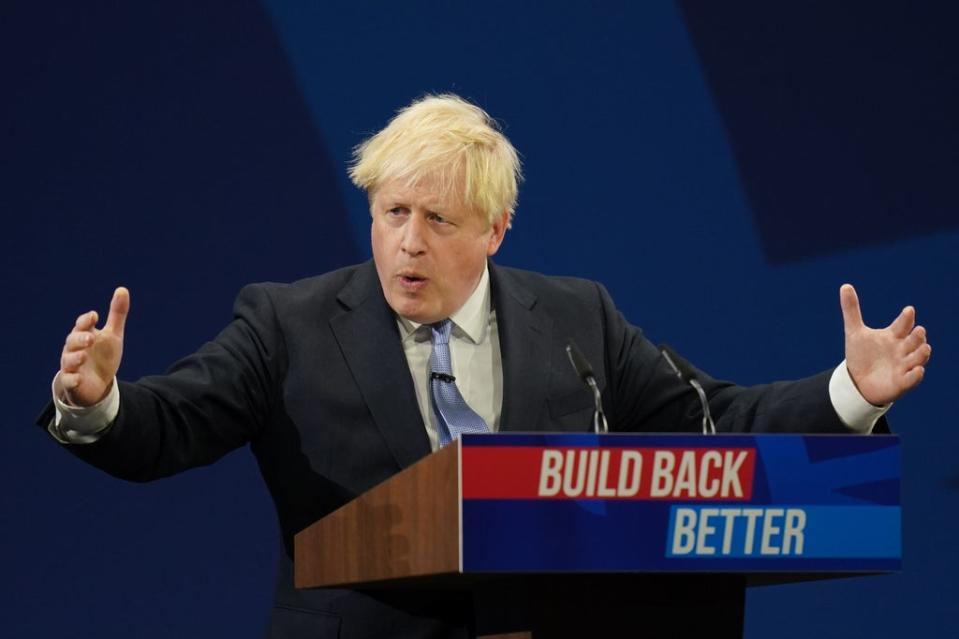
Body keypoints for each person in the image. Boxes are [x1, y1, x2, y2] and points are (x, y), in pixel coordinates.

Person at [40, 95, 931, 638]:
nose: (407, 243)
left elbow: (709, 424)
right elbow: (172, 424)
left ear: (495, 231)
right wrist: (100, 399)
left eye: (437, 220)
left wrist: (849, 390)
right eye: (391, 212)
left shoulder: (577, 316)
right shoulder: (289, 321)